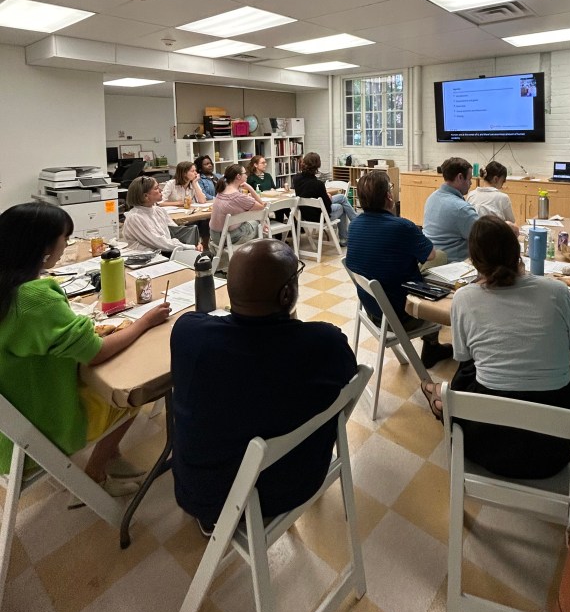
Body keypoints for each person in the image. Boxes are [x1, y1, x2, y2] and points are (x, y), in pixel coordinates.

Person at [171, 239, 357, 534]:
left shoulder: (188, 334)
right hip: (294, 484)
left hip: (204, 493)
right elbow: (344, 375)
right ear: (287, 294)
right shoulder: (324, 345)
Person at [0, 203, 170, 494]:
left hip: (11, 425)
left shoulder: (9, 288)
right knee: (128, 394)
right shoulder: (34, 299)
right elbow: (96, 352)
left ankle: (111, 455)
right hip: (38, 429)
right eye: (64, 238)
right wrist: (144, 322)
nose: (66, 244)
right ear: (42, 246)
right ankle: (97, 472)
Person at [420, 216, 570, 479]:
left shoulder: (463, 298)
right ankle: (441, 396)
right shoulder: (558, 292)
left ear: (473, 261)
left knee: (465, 377)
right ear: (518, 251)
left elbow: (465, 359)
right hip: (555, 446)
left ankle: (440, 397)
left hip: (486, 441)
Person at [346, 169, 451, 367]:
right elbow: (431, 255)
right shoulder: (403, 226)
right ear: (388, 195)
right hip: (403, 315)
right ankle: (432, 344)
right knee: (441, 259)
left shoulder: (354, 225)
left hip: (372, 310)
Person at [123, 176, 201, 254]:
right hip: (146, 258)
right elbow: (158, 242)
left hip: (165, 252)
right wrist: (190, 247)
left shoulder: (159, 210)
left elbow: (175, 232)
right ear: (145, 196)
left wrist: (194, 243)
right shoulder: (135, 218)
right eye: (156, 188)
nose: (161, 190)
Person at [293, 152, 357, 246]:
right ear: (317, 166)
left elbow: (310, 194)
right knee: (342, 208)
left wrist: (326, 197)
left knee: (342, 197)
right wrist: (327, 197)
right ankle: (344, 238)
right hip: (319, 215)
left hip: (305, 213)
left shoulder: (296, 178)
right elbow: (327, 207)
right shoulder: (318, 184)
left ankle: (354, 221)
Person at [422, 157, 479, 262]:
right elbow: (484, 238)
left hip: (431, 261)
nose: (471, 184)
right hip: (454, 265)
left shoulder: (432, 197)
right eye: (469, 179)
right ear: (460, 177)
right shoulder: (462, 209)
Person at [209, 163, 266, 250]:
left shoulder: (221, 190)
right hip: (227, 238)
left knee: (251, 220)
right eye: (245, 173)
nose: (246, 175)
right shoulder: (238, 196)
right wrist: (250, 188)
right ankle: (256, 254)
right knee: (259, 224)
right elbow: (262, 206)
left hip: (214, 235)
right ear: (238, 176)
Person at [466, 161, 519, 233]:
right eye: (502, 181)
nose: (502, 186)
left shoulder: (471, 195)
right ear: (496, 179)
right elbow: (511, 223)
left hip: (474, 238)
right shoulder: (502, 198)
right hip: (495, 238)